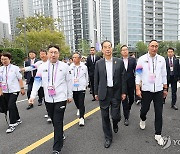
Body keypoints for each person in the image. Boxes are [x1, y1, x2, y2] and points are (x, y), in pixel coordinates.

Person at [29, 45, 73, 154]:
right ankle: (60, 133)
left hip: (61, 98)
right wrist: (32, 96)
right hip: (48, 99)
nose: (53, 54)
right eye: (51, 52)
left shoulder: (65, 66)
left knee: (58, 121)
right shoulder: (42, 67)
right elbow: (37, 82)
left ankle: (57, 148)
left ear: (59, 54)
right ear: (48, 54)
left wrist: (69, 95)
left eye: (55, 52)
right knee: (54, 120)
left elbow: (69, 81)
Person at [94, 40, 126, 148]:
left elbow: (123, 78)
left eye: (109, 47)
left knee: (115, 115)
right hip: (104, 92)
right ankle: (108, 137)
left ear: (112, 49)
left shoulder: (119, 62)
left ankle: (116, 123)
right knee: (105, 116)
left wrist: (123, 92)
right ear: (102, 49)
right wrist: (95, 93)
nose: (107, 49)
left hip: (116, 92)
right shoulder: (98, 63)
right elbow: (96, 79)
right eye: (105, 47)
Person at [136, 40, 168, 146]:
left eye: (156, 46)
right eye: (152, 46)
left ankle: (158, 134)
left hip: (158, 90)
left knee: (159, 112)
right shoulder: (142, 59)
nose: (154, 48)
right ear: (148, 47)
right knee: (144, 109)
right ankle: (142, 118)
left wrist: (165, 88)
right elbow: (138, 74)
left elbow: (164, 75)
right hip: (146, 90)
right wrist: (137, 88)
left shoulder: (161, 59)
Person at [21, 49, 52, 122]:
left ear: (47, 54)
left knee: (50, 99)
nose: (42, 56)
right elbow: (31, 67)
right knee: (46, 100)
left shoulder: (51, 63)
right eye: (41, 54)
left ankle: (51, 114)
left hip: (51, 86)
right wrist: (22, 69)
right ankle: (49, 113)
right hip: (41, 84)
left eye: (43, 54)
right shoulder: (39, 63)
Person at [0, 52, 25, 133]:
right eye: (2, 59)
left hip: (14, 90)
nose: (4, 61)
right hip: (5, 90)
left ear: (9, 59)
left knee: (10, 105)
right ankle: (18, 119)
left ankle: (12, 124)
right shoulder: (1, 69)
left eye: (5, 59)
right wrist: (0, 91)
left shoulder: (15, 68)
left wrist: (22, 88)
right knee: (11, 105)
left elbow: (20, 79)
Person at [69, 52, 88, 126]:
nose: (74, 59)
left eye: (76, 57)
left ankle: (81, 118)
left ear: (79, 58)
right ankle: (78, 108)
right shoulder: (70, 67)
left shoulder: (84, 67)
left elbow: (86, 76)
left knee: (81, 102)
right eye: (73, 57)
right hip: (73, 87)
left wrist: (86, 84)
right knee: (76, 101)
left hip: (81, 87)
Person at [120, 45, 136, 126]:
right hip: (122, 84)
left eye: (126, 49)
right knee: (124, 100)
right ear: (121, 52)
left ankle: (128, 108)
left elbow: (137, 71)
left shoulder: (133, 60)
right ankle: (126, 117)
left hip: (131, 82)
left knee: (132, 99)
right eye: (123, 50)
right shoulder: (118, 61)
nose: (125, 51)